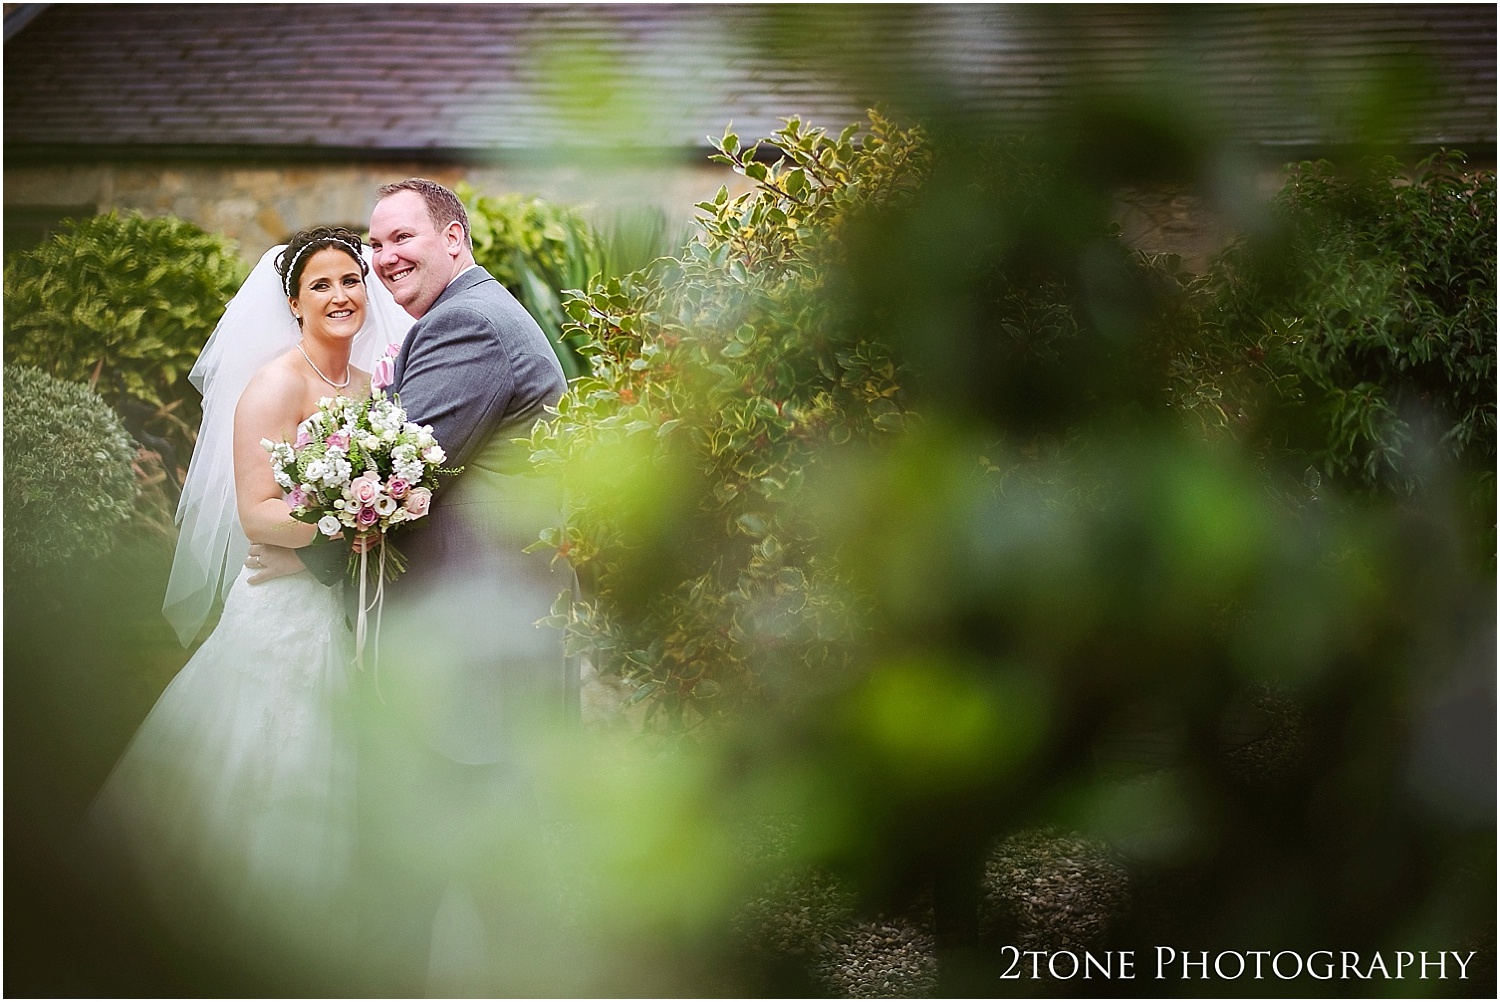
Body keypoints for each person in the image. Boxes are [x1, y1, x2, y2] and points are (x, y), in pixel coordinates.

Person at [250, 178, 577, 995]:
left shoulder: (468, 323)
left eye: (404, 238)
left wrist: (303, 559)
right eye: (377, 243)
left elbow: (392, 470)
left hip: (468, 645)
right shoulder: (473, 315)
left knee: (436, 876)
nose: (384, 256)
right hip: (482, 637)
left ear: (455, 240)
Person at [87, 227, 413, 981]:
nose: (341, 296)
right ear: (294, 302)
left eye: (351, 281)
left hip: (353, 611)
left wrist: (386, 510)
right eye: (322, 286)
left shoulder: (370, 387)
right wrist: (349, 522)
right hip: (285, 613)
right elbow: (256, 513)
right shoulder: (274, 385)